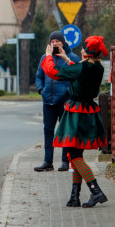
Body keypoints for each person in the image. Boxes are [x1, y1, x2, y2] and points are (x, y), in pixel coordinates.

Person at [39, 36, 110, 208]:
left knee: (74, 155)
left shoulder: (82, 68)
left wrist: (49, 56)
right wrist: (66, 58)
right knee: (75, 155)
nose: (81, 50)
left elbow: (53, 72)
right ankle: (74, 197)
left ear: (88, 52)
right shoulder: (97, 67)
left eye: (84, 48)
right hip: (88, 111)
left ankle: (95, 190)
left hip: (77, 113)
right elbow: (79, 72)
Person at [34, 30, 81, 172]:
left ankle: (65, 161)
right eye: (52, 41)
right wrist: (41, 90)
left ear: (63, 42)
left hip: (65, 101)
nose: (55, 44)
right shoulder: (44, 58)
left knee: (65, 131)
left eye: (57, 41)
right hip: (48, 100)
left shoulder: (72, 57)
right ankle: (48, 161)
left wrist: (69, 94)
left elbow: (77, 78)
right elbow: (39, 76)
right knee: (48, 131)